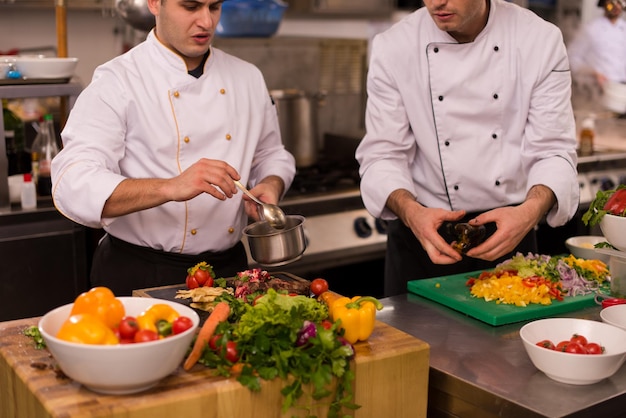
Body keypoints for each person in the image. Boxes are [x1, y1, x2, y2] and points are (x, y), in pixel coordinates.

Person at [51, 0, 295, 296]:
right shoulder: (118, 80)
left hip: (230, 271)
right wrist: (170, 187)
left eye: (214, 6)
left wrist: (270, 184)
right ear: (154, 3)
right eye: (191, 7)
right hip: (141, 273)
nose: (206, 21)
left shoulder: (248, 77)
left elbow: (271, 154)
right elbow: (73, 181)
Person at [355, 0, 580, 297]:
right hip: (422, 240)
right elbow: (382, 153)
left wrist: (530, 211)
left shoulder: (539, 40)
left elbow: (554, 149)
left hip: (511, 240)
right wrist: (411, 213)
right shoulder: (394, 46)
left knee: (509, 344)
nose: (437, 3)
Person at [567, 0, 626, 90]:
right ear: (604, 3)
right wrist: (592, 73)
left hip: (622, 89)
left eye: (620, 3)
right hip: (596, 90)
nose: (616, 6)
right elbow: (572, 58)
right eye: (612, 3)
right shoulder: (591, 29)